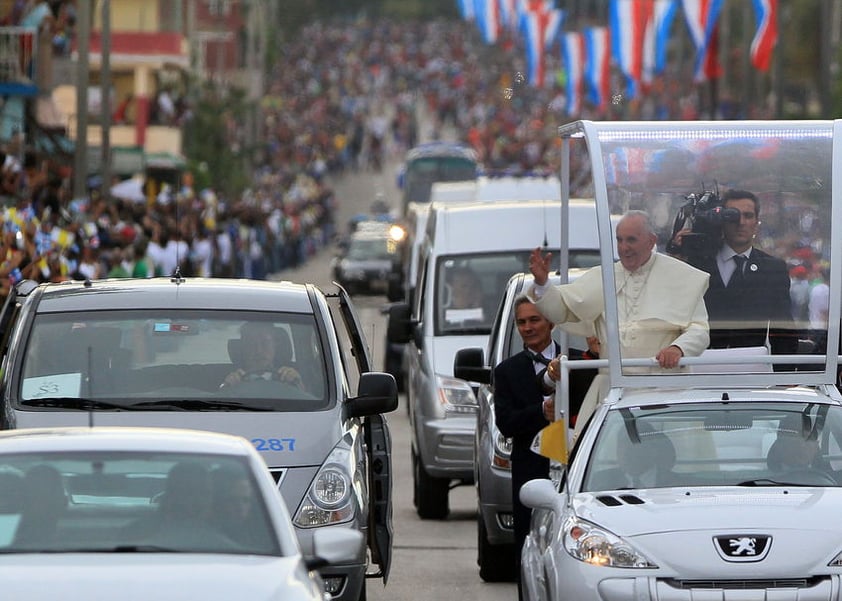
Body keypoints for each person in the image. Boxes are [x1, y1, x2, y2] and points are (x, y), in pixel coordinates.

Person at [528, 210, 710, 437]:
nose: (624, 247)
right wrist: (543, 284)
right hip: (612, 390)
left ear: (651, 241)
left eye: (631, 240)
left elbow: (699, 330)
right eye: (620, 240)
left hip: (664, 387)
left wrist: (678, 348)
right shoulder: (603, 277)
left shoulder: (681, 276)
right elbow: (563, 310)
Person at [670, 189, 797, 361]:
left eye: (748, 216)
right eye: (733, 216)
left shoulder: (773, 268)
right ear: (721, 220)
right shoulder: (695, 263)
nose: (741, 222)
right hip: (698, 363)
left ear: (757, 222)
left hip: (750, 366)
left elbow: (782, 326)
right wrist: (677, 257)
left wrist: (786, 375)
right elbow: (671, 310)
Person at [493, 295, 560, 594]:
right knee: (528, 545)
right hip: (530, 471)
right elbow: (505, 422)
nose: (528, 327)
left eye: (535, 320)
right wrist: (540, 412)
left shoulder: (577, 360)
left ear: (552, 322)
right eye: (522, 322)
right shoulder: (507, 371)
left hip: (573, 468)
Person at [221, 322, 306, 390]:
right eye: (251, 344)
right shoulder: (227, 381)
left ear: (275, 345)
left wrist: (298, 384)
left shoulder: (295, 378)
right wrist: (226, 388)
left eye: (265, 343)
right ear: (243, 348)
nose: (258, 351)